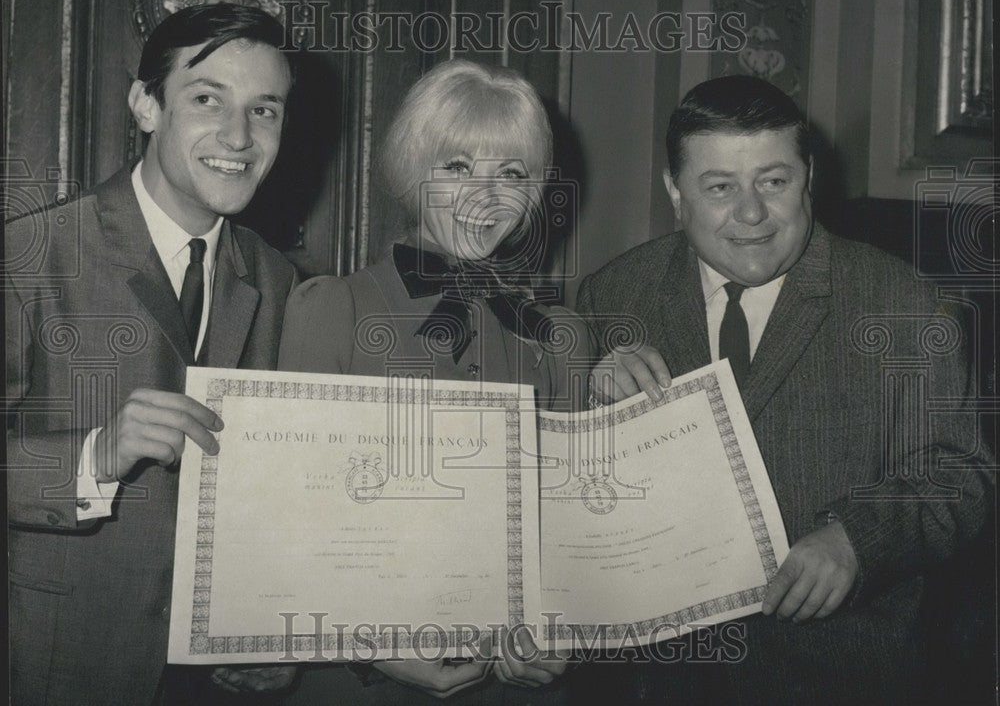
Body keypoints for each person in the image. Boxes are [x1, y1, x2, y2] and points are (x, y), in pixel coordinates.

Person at [573, 75, 994, 705]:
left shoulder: (904, 303)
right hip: (655, 681)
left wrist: (856, 540)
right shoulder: (613, 295)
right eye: (720, 187)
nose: (751, 213)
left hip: (839, 677)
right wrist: (586, 403)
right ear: (674, 192)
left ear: (809, 177)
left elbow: (959, 476)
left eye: (773, 181)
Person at [6, 4, 298, 704]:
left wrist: (281, 629)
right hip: (50, 663)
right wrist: (93, 456)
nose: (239, 136)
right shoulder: (28, 256)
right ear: (146, 105)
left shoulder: (280, 279)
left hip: (216, 681)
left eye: (264, 110)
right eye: (207, 100)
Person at [277, 58, 591, 703]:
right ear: (413, 172)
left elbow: (567, 533)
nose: (486, 197)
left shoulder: (560, 338)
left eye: (512, 174)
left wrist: (551, 633)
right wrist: (375, 651)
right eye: (457, 167)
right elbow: (285, 522)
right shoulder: (333, 309)